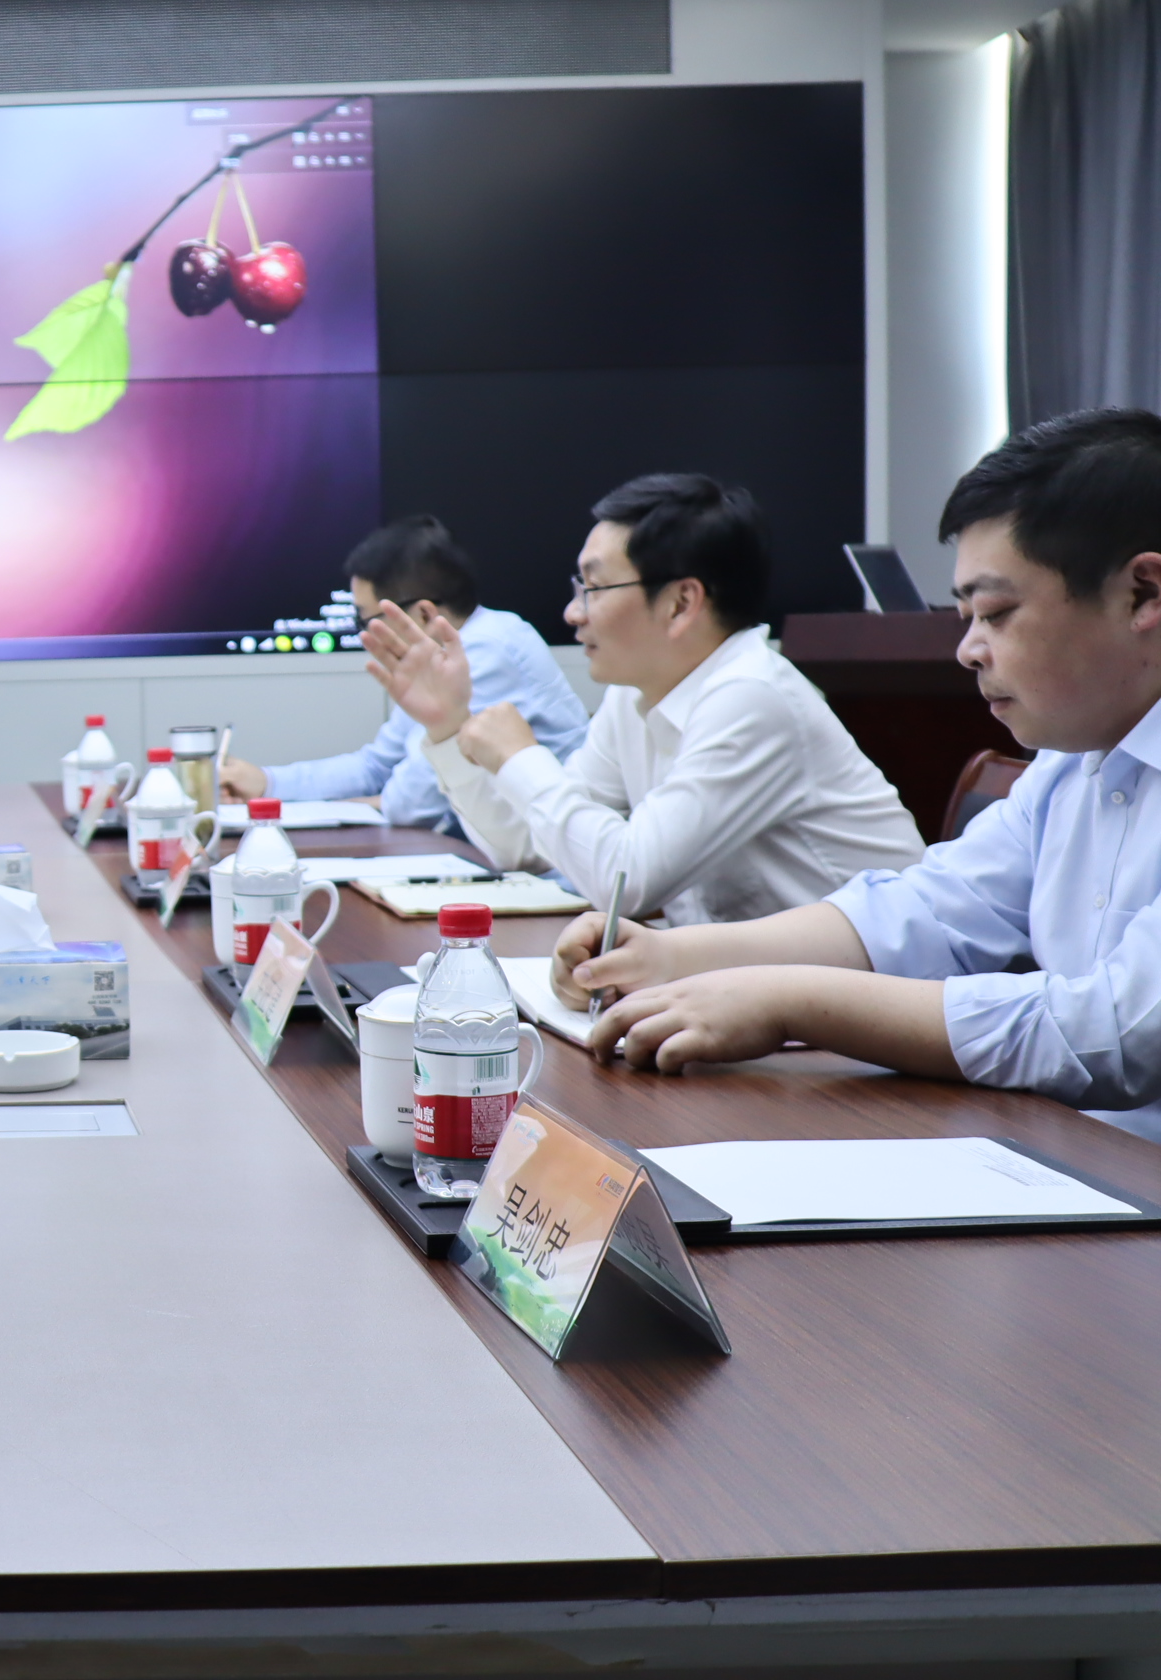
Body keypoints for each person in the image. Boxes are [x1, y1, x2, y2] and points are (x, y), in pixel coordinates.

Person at [564, 411, 1161, 1137]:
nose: (968, 650)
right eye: (966, 616)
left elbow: (1112, 1033)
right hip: (1078, 1158)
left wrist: (788, 1001)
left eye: (997, 613)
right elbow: (926, 911)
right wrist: (670, 956)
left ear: (1143, 595)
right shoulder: (1072, 763)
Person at [364, 473, 922, 925]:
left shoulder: (751, 697)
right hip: (761, 987)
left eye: (594, 587)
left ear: (681, 603)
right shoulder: (634, 697)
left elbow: (625, 881)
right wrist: (448, 727)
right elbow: (530, 847)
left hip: (877, 993)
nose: (574, 612)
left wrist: (520, 758)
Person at [219, 515, 590, 831]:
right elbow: (376, 766)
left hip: (552, 873)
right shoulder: (440, 656)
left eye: (367, 621)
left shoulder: (486, 650)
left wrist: (376, 803)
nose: (364, 637)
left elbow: (414, 805)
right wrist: (268, 783)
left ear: (424, 614)